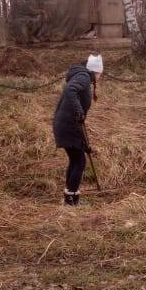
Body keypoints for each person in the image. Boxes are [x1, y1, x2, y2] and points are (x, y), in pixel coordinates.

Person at [52, 62, 95, 206]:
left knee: (75, 159)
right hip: (68, 125)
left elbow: (78, 117)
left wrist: (84, 145)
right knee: (79, 161)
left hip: (66, 124)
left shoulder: (81, 76)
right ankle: (71, 202)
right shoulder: (84, 76)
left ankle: (69, 197)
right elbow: (70, 90)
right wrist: (79, 110)